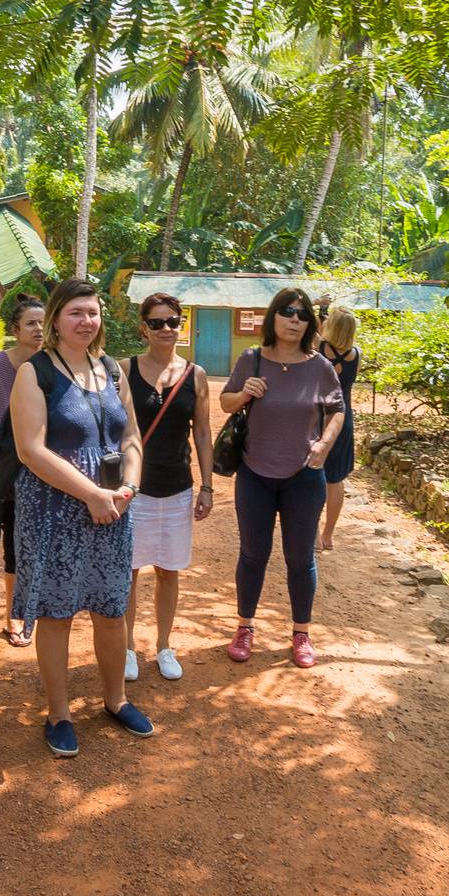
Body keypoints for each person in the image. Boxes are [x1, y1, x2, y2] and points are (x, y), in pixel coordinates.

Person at [11, 278, 148, 756]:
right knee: (57, 613)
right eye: (75, 313)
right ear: (55, 320)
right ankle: (59, 713)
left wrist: (128, 485)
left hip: (113, 506)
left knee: (112, 609)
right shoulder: (36, 373)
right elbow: (30, 450)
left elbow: (131, 436)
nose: (86, 321)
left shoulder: (111, 369)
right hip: (55, 508)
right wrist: (91, 492)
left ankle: (116, 699)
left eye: (92, 313)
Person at [220, 287, 345, 669]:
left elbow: (337, 409)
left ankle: (301, 633)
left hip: (304, 476)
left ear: (310, 322)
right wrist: (244, 394)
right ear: (273, 316)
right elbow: (225, 402)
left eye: (302, 314)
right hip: (255, 474)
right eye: (288, 312)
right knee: (253, 554)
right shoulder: (251, 359)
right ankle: (245, 628)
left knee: (300, 557)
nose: (295, 319)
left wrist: (324, 444)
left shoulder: (319, 366)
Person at [123, 292, 213, 682]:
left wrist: (208, 486)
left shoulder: (196, 375)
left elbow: (204, 434)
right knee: (129, 570)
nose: (165, 329)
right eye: (156, 322)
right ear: (144, 327)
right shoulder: (123, 370)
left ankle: (163, 645)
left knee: (168, 570)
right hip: (134, 489)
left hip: (177, 485)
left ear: (182, 325)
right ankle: (126, 647)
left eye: (172, 322)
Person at [0, 293, 46, 649]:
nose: (38, 329)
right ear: (16, 329)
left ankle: (14, 618)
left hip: (32, 475)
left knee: (20, 549)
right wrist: (1, 433)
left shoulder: (50, 367)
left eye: (43, 323)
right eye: (31, 323)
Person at [316, 305, 361, 552]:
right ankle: (328, 534)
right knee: (336, 480)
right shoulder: (357, 355)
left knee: (312, 476)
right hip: (343, 418)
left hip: (318, 417)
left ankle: (312, 531)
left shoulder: (320, 349)